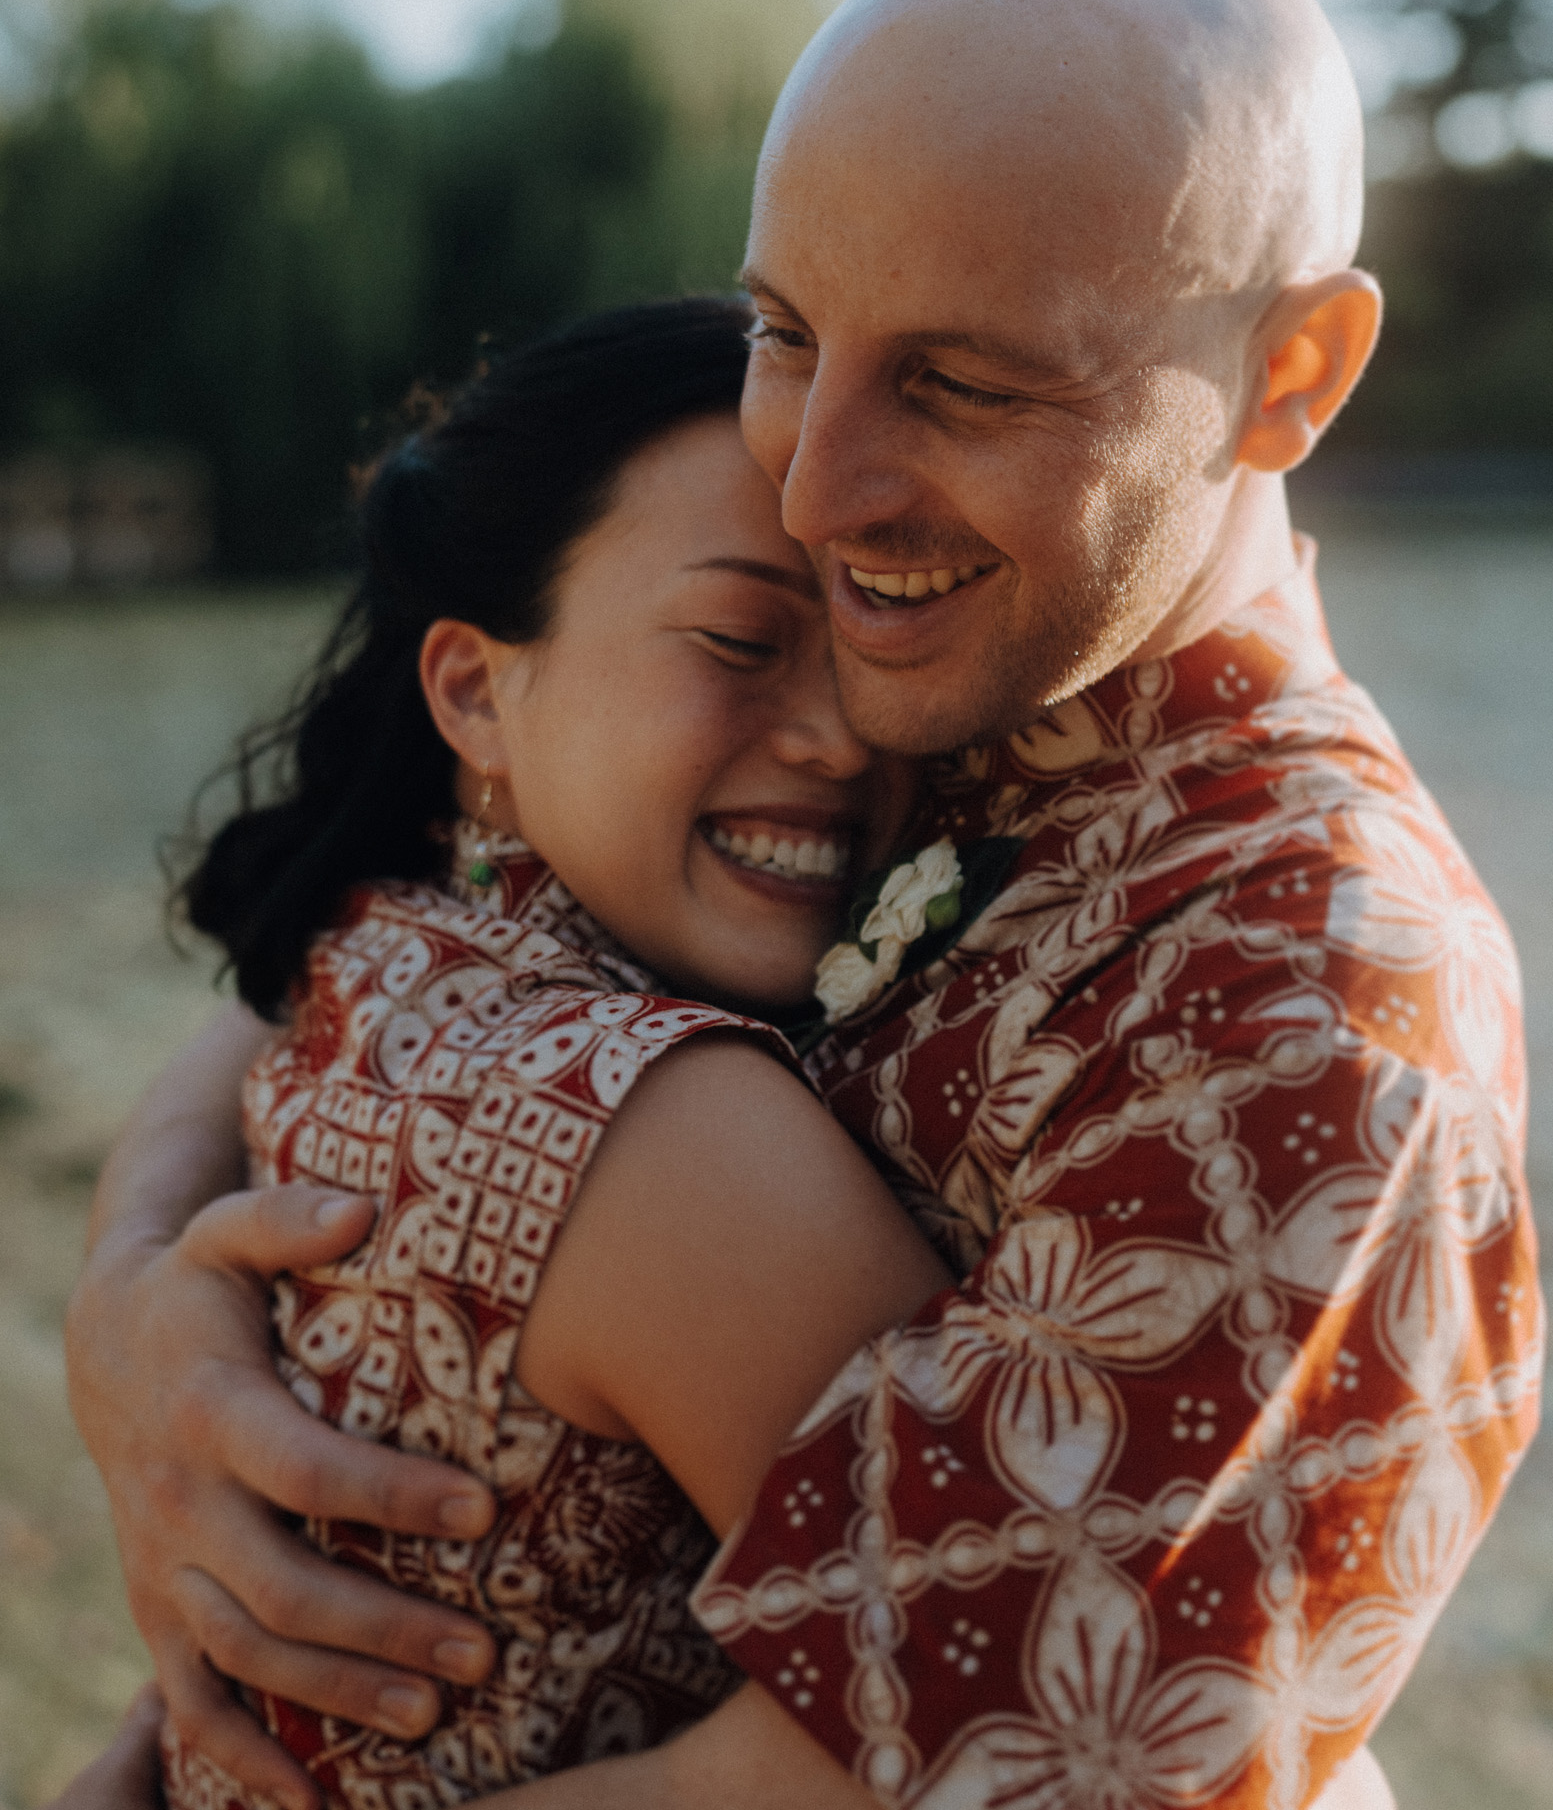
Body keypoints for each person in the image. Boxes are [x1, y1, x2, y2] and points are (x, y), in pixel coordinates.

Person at [64, 0, 1538, 1810]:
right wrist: (140, 1295)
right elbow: (416, 908)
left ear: (1293, 376)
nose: (815, 485)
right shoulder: (935, 660)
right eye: (785, 331)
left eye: (965, 379)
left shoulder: (1311, 1004)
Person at [83, 294, 948, 1810]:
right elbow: (1025, 1708)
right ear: (476, 689)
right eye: (742, 638)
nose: (841, 736)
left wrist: (129, 1261)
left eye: (877, 641)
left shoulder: (370, 951)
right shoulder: (668, 1135)